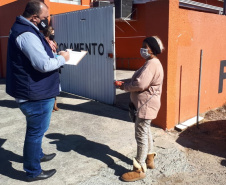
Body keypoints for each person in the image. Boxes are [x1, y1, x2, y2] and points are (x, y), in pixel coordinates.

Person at [6, 0, 69, 182]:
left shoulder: (26, 28)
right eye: (44, 18)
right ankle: (33, 171)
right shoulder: (26, 34)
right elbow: (42, 65)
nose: (46, 21)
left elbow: (37, 56)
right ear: (34, 17)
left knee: (37, 131)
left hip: (36, 91)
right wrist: (62, 58)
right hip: (34, 94)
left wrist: (52, 51)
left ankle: (37, 155)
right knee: (35, 132)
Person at [115, 36, 164, 182]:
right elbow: (140, 81)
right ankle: (149, 159)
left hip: (145, 106)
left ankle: (139, 169)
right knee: (146, 131)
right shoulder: (152, 62)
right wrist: (126, 82)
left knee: (140, 135)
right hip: (146, 105)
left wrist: (123, 86)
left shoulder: (151, 64)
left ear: (152, 49)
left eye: (145, 46)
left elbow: (140, 84)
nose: (142, 49)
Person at [43, 26, 59, 112]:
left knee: (55, 87)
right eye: (52, 33)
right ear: (47, 33)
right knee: (49, 88)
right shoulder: (44, 43)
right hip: (49, 66)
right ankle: (50, 106)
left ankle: (55, 105)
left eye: (54, 33)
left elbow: (55, 52)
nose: (53, 35)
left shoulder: (53, 42)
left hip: (54, 66)